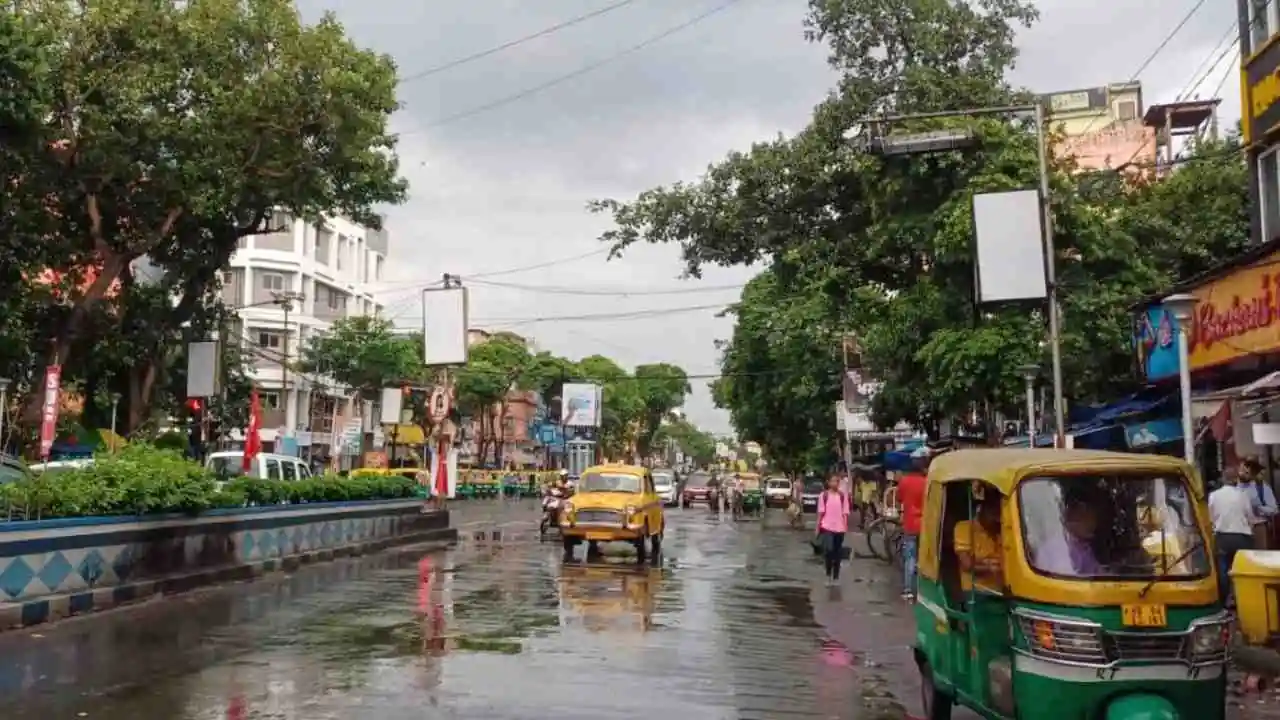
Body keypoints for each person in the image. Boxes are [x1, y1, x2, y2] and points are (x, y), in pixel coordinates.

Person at [1209, 466, 1258, 605]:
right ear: (1236, 479)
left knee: (1223, 569)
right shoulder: (1243, 495)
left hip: (1222, 536)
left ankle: (1225, 600)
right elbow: (1250, 517)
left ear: (1223, 479)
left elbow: (1211, 518)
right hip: (1242, 537)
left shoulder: (1214, 495)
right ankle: (1242, 599)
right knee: (1242, 569)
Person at [1032, 493, 1103, 576]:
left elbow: (1096, 574)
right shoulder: (1056, 549)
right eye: (1088, 516)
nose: (1093, 523)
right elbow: (1069, 580)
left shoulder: (1084, 548)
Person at [953, 488, 1003, 593]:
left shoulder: (1004, 530)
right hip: (975, 592)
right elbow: (966, 564)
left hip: (1003, 591)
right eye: (994, 513)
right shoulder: (964, 528)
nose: (997, 519)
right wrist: (989, 567)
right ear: (983, 510)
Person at [897, 448, 929, 600]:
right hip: (925, 524)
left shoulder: (904, 482)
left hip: (909, 524)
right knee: (924, 559)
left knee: (910, 558)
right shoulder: (928, 482)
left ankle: (907, 590)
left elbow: (899, 499)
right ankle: (924, 592)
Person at [816, 474, 850, 586]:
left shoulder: (842, 496)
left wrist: (845, 526)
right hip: (827, 527)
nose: (835, 483)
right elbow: (820, 513)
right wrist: (817, 528)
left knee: (837, 553)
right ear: (829, 482)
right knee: (829, 551)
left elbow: (845, 512)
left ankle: (836, 577)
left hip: (839, 528)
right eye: (833, 481)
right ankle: (828, 575)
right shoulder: (823, 495)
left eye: (837, 481)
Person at [1242, 457, 1276, 550]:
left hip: (1258, 527)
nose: (1242, 474)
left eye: (1246, 472)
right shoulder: (1236, 488)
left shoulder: (1263, 488)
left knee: (1260, 556)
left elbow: (1274, 509)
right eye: (1242, 471)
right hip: (1240, 528)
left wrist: (1259, 508)